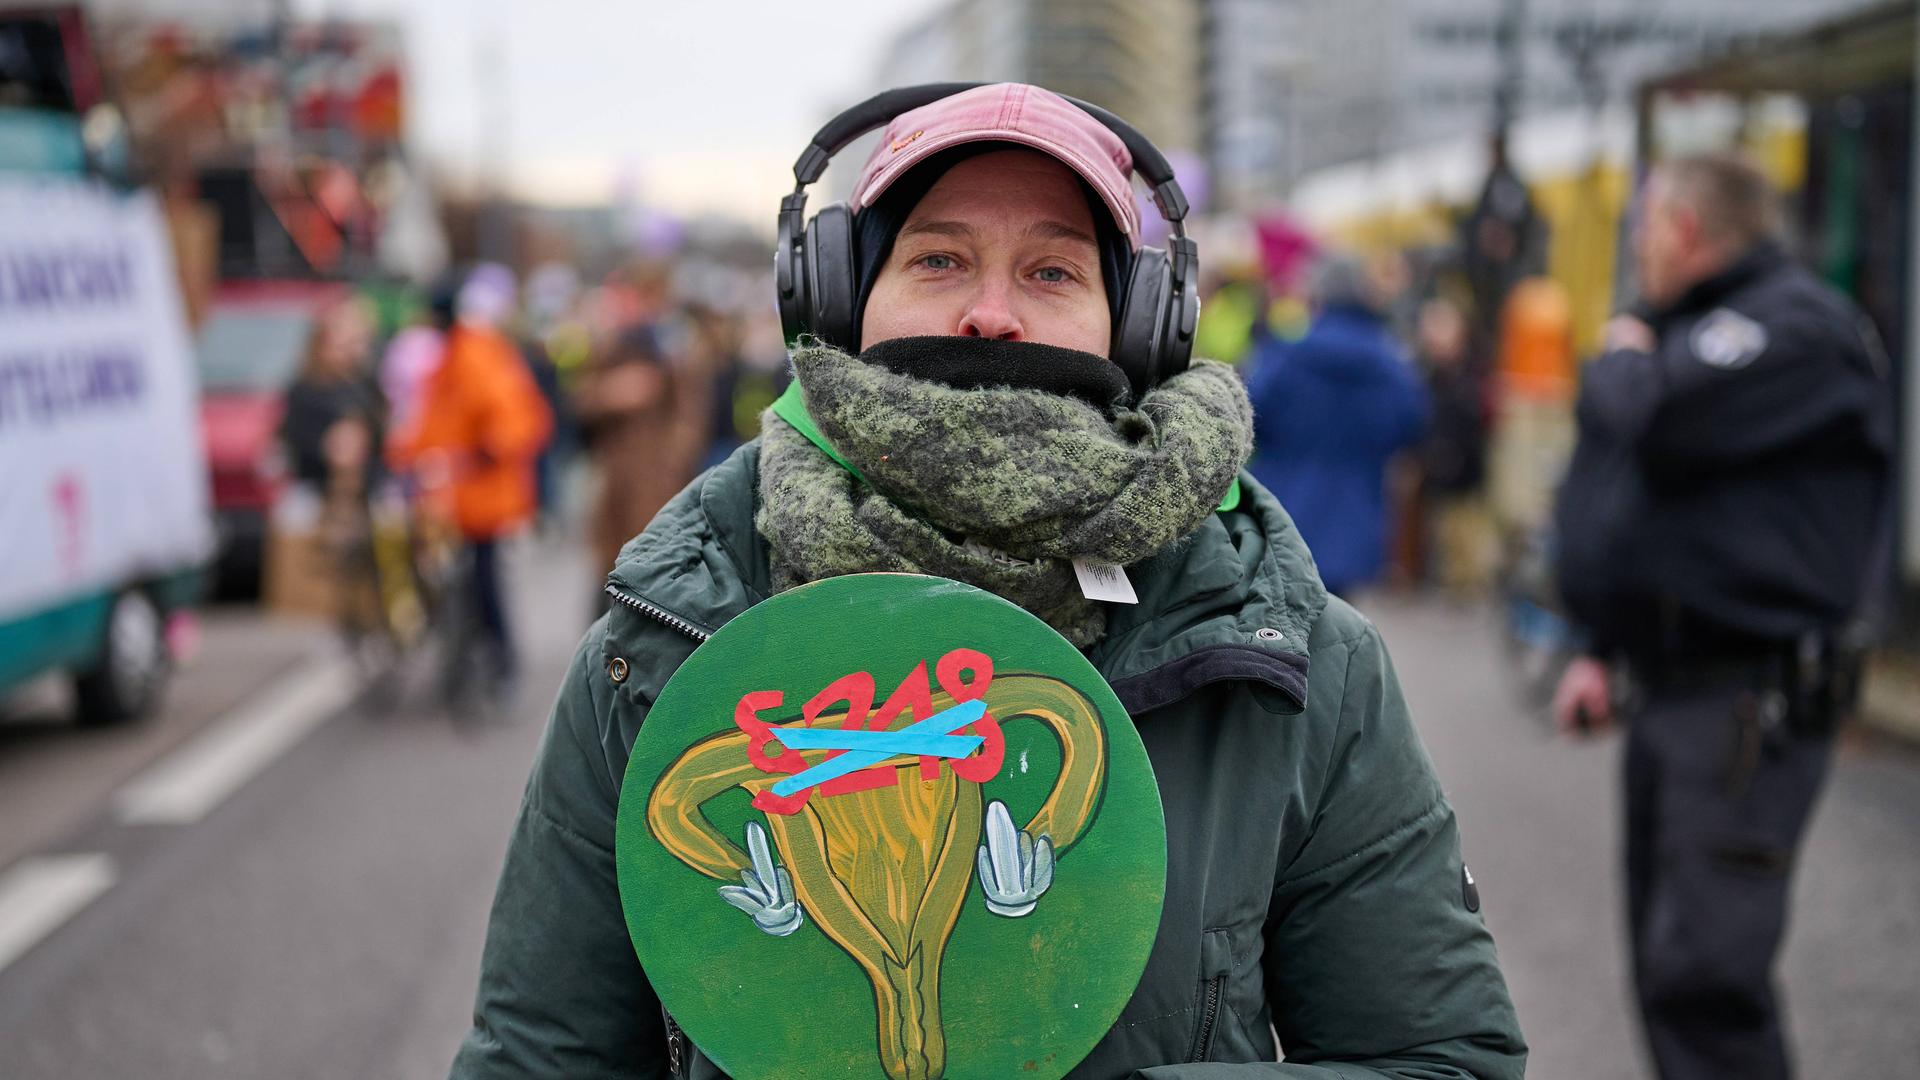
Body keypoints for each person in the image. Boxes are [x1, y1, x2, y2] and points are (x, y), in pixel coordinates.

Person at [449, 83, 1522, 1079]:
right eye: (940, 260)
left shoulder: (1300, 671)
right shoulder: (664, 650)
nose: (991, 314)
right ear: (835, 297)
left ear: (1144, 327)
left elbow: (1440, 1060)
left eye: (1053, 271)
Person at [1551, 153, 1893, 1080]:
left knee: (1706, 977)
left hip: (1747, 696)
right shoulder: (1694, 326)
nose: (1638, 246)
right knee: (1668, 972)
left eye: (1648, 226)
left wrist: (1623, 357)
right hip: (1672, 689)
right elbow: (1657, 511)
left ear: (1688, 228)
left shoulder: (1794, 327)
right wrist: (1601, 646)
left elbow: (1660, 421)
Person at [388, 275, 553, 688]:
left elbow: (515, 419)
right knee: (459, 571)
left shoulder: (473, 355)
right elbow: (436, 423)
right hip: (457, 492)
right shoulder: (456, 354)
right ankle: (472, 653)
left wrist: (483, 453)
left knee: (484, 575)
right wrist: (403, 454)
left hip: (482, 490)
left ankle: (501, 659)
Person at [1244, 255, 1430, 596]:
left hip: (1285, 504)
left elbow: (1251, 411)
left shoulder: (1286, 354)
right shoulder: (1392, 365)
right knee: (1337, 624)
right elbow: (1411, 425)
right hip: (1357, 512)